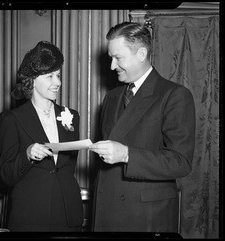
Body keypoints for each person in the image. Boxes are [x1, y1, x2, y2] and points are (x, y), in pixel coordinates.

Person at [89, 22, 196, 232]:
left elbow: (180, 162)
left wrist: (127, 154)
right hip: (107, 210)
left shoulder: (174, 95)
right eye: (111, 58)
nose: (112, 66)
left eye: (118, 58)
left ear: (141, 53)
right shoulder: (112, 97)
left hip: (146, 216)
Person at [0, 41, 83, 232]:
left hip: (68, 213)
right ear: (33, 80)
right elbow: (6, 175)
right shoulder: (11, 119)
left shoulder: (72, 116)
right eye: (50, 76)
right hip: (31, 214)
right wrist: (27, 155)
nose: (58, 82)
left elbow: (67, 167)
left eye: (59, 75)